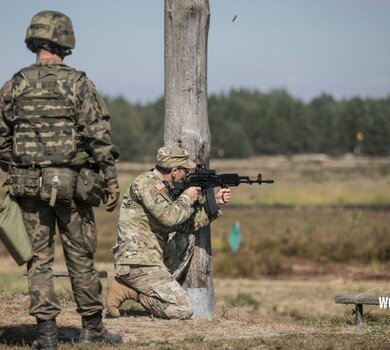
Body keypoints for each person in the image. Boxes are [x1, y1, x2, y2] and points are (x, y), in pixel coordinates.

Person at [0, 11, 122, 348]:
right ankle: (92, 330)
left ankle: (47, 335)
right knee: (81, 257)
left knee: (37, 262)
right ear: (65, 41)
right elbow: (99, 139)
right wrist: (110, 180)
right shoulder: (79, 84)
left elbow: (0, 139)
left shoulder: (14, 85)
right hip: (73, 190)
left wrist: (25, 168)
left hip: (28, 191)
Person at [106, 146, 231, 319]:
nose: (186, 174)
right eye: (184, 170)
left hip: (151, 258)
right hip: (137, 261)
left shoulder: (164, 188)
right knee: (183, 309)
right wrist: (187, 197)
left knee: (185, 239)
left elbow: (184, 225)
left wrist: (215, 203)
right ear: (174, 171)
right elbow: (170, 218)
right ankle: (134, 292)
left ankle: (134, 288)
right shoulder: (147, 184)